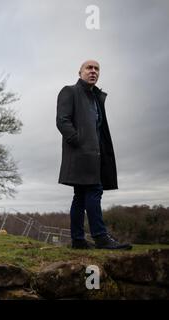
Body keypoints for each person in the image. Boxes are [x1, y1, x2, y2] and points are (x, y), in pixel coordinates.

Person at [56, 60, 132, 250]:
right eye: (89, 68)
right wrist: (78, 141)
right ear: (80, 72)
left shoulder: (96, 98)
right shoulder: (69, 91)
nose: (93, 71)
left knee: (80, 196)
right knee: (94, 190)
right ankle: (100, 237)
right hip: (81, 154)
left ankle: (78, 240)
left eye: (97, 69)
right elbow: (62, 120)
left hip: (95, 155)